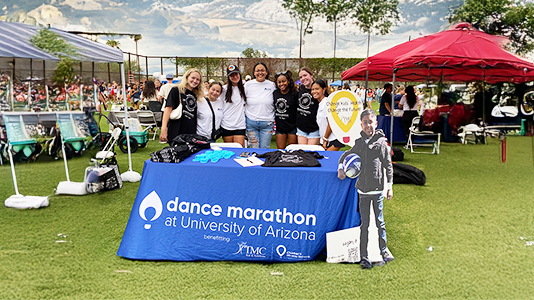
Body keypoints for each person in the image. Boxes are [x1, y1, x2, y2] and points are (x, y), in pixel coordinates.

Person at [338, 109, 394, 269]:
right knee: (365, 224)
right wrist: (341, 168)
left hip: (377, 191)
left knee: (380, 222)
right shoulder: (359, 143)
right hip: (362, 190)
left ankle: (383, 251)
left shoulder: (382, 143)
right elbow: (346, 155)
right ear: (361, 125)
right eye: (365, 122)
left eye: (371, 122)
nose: (368, 125)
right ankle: (364, 256)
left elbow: (388, 166)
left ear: (375, 123)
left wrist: (389, 187)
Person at [160, 68, 204, 143]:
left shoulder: (195, 95)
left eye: (198, 79)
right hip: (176, 130)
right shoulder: (176, 90)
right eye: (193, 78)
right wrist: (164, 129)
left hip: (190, 132)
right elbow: (167, 110)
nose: (195, 81)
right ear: (187, 77)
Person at [244, 62, 276, 148]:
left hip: (267, 123)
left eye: (262, 70)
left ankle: (264, 162)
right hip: (251, 122)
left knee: (264, 149)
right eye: (257, 70)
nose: (260, 73)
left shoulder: (272, 85)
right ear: (254, 73)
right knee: (254, 149)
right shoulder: (248, 85)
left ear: (266, 72)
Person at [220, 65, 247, 147]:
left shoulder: (245, 88)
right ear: (228, 77)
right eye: (232, 75)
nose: (235, 77)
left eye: (236, 74)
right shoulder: (223, 90)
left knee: (239, 150)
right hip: (226, 125)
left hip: (240, 125)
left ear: (239, 74)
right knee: (229, 152)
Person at [314, 79, 344, 151]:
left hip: (333, 139)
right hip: (326, 140)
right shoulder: (320, 103)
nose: (314, 91)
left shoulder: (327, 103)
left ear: (324, 90)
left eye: (317, 89)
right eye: (312, 89)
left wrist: (325, 139)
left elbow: (331, 122)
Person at [273, 70, 298, 149]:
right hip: (280, 127)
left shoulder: (295, 93)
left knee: (292, 152)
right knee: (281, 151)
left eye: (284, 81)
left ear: (288, 81)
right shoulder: (275, 93)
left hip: (292, 127)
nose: (281, 84)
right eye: (279, 82)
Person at [296, 67, 320, 145]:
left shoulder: (318, 89)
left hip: (314, 128)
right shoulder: (299, 89)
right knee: (302, 153)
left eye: (305, 75)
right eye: (301, 77)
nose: (303, 78)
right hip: (301, 128)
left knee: (311, 154)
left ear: (311, 75)